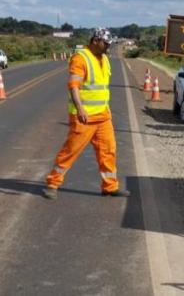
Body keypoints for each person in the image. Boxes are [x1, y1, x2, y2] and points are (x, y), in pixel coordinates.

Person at [43, 28, 129, 199]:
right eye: (105, 43)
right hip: (84, 117)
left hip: (103, 116)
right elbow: (73, 86)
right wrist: (80, 109)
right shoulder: (80, 58)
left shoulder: (104, 58)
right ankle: (53, 183)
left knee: (108, 150)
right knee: (71, 151)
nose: (108, 47)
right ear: (95, 41)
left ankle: (110, 186)